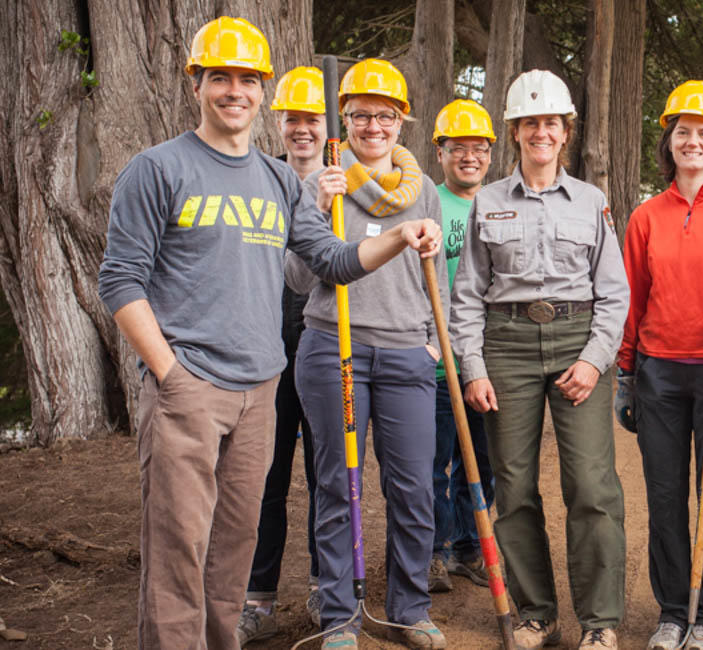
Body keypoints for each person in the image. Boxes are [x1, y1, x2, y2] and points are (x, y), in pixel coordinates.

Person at [97, 17, 440, 650]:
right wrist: (169, 375)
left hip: (261, 386)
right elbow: (120, 280)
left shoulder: (278, 179)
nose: (235, 91)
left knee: (234, 545)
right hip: (189, 388)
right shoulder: (156, 169)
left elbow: (332, 263)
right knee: (178, 546)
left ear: (262, 89)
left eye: (247, 80)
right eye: (219, 78)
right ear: (196, 83)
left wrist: (400, 234)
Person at [450, 69, 628, 650]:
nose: (540, 132)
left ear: (565, 131)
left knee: (592, 484)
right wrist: (473, 368)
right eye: (530, 123)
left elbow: (614, 291)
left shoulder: (592, 201)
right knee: (516, 483)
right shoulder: (490, 202)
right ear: (515, 132)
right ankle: (537, 613)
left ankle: (600, 622)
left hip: (578, 342)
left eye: (550, 122)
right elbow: (468, 293)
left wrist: (597, 360)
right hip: (507, 346)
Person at [284, 57, 449, 650]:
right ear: (345, 119)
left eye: (385, 115)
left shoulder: (424, 188)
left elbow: (439, 279)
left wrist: (435, 339)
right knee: (338, 484)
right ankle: (340, 617)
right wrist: (318, 202)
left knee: (412, 488)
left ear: (402, 121)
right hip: (335, 349)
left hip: (407, 353)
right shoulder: (320, 181)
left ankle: (409, 608)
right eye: (360, 115)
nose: (373, 126)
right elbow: (300, 280)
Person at [615, 80, 703, 650]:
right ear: (669, 142)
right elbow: (633, 296)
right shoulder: (647, 216)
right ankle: (674, 610)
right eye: (684, 132)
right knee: (666, 496)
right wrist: (627, 373)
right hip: (659, 374)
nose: (693, 142)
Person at [236, 64, 327, 646]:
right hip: (266, 334)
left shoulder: (350, 184)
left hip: (323, 335)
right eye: (293, 118)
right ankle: (257, 598)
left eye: (312, 120)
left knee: (326, 469)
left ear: (327, 126)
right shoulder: (262, 177)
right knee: (264, 473)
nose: (301, 129)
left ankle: (326, 587)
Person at [427, 98, 498, 593]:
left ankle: (470, 546)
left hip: (487, 362)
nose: (468, 157)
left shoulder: (498, 205)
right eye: (458, 148)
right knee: (433, 463)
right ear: (440, 153)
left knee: (486, 460)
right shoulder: (425, 201)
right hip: (432, 363)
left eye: (478, 149)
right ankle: (435, 550)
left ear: (491, 154)